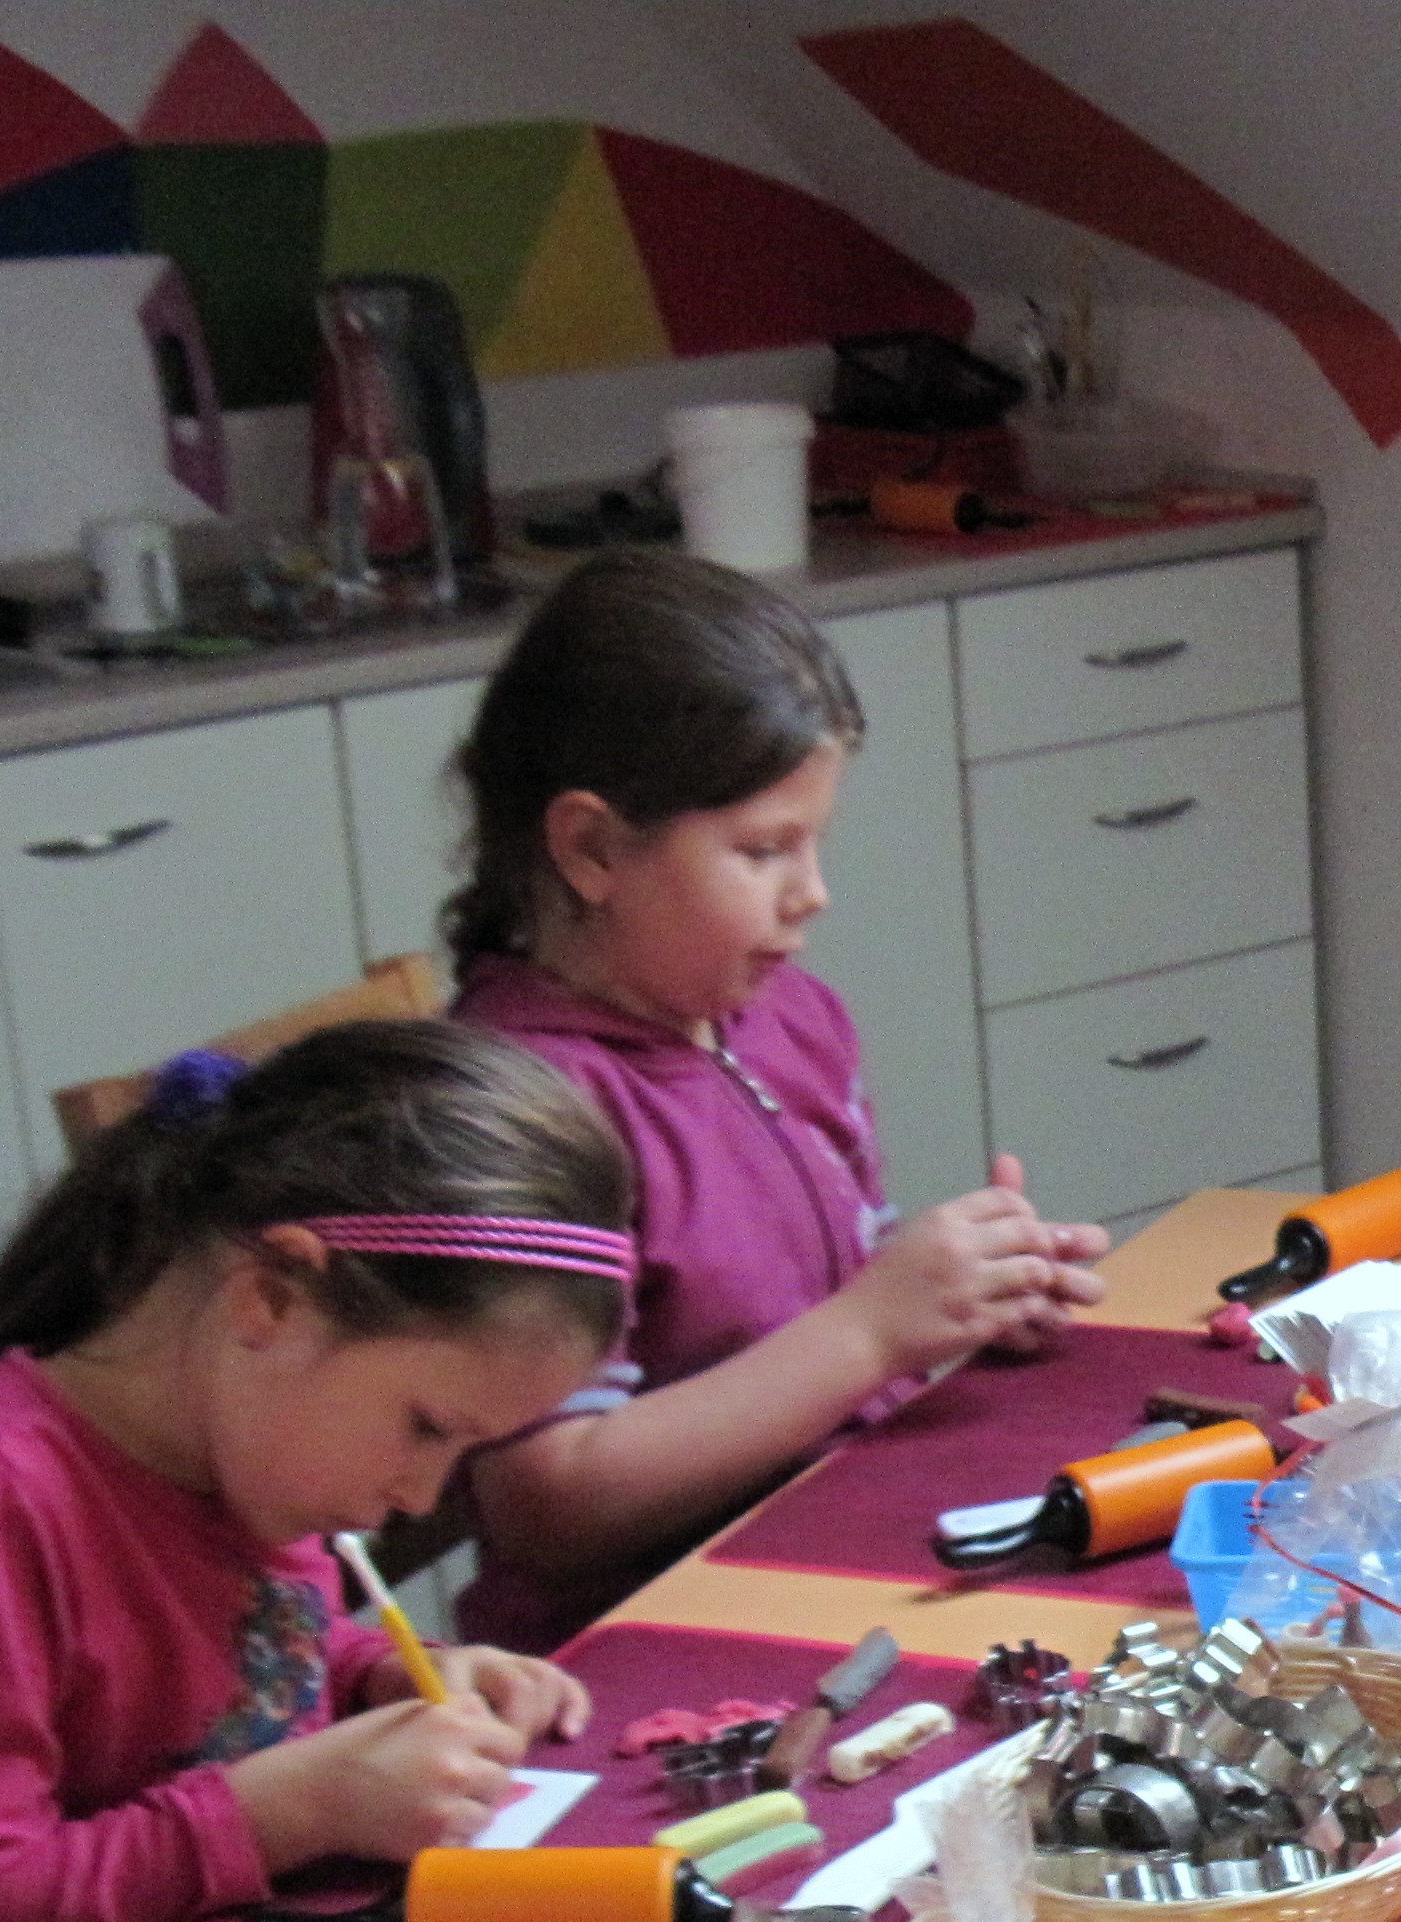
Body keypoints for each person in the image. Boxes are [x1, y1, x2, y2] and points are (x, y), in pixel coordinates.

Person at [0, 1021, 635, 1922]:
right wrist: (285, 1812)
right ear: (272, 1299)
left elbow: (236, 1657)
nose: (422, 1496)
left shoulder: (247, 1443)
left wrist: (375, 1676)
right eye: (426, 1426)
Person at [445, 548, 1109, 1647]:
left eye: (815, 844)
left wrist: (967, 1302)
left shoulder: (792, 1020)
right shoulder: (518, 1117)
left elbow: (834, 1311)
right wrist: (870, 1333)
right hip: (635, 1643)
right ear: (592, 848)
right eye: (763, 850)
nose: (813, 894)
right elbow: (547, 1505)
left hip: (836, 1552)